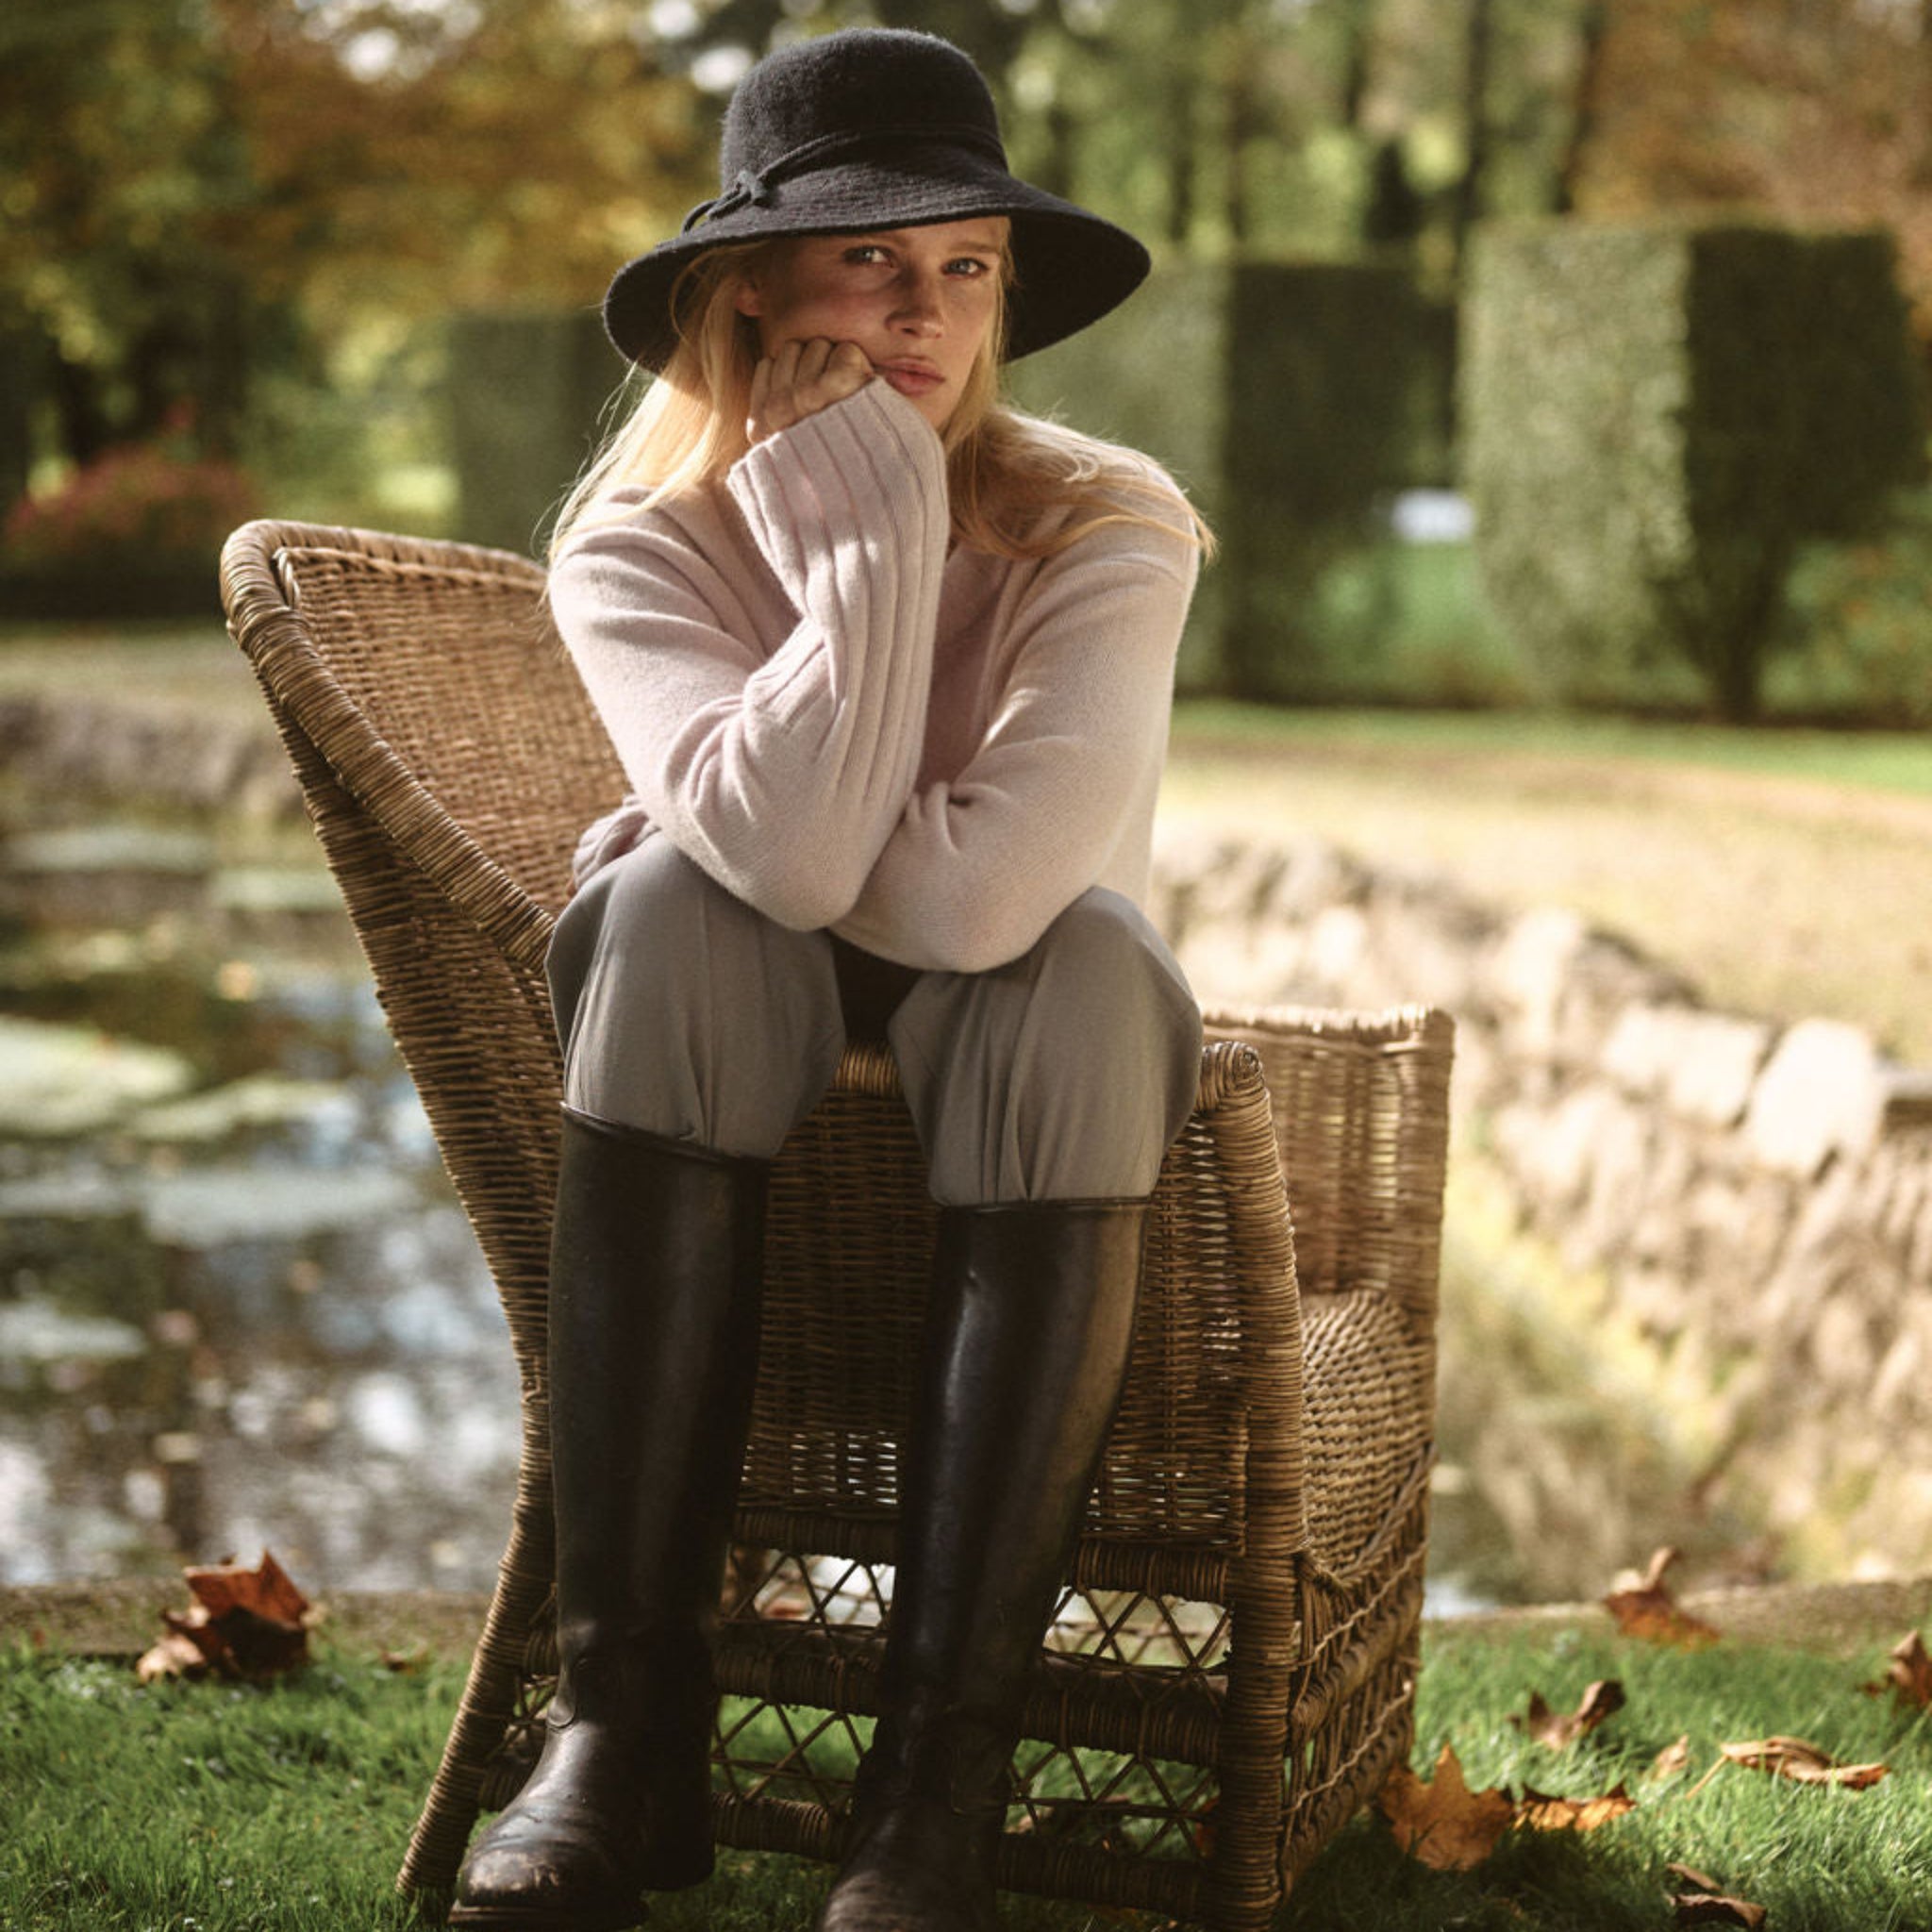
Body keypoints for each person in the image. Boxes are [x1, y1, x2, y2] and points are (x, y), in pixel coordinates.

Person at [450, 25, 1210, 1932]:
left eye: (965, 265)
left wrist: (751, 801)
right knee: (675, 919)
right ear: (753, 289)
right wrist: (862, 541)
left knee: (1085, 961)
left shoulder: (1109, 517)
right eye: (873, 259)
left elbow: (971, 915)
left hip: (1020, 1040)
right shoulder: (638, 544)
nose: (928, 310)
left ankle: (926, 1799)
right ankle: (622, 1743)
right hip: (739, 1020)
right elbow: (776, 879)